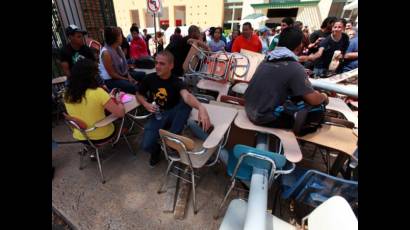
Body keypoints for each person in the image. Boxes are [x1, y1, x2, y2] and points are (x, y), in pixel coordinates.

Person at [136, 50, 211, 166]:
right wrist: (145, 104)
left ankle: (171, 139)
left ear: (171, 66)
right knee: (146, 145)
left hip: (174, 114)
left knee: (186, 104)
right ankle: (157, 151)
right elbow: (139, 94)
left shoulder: (176, 81)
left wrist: (201, 107)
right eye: (156, 63)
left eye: (162, 64)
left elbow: (187, 96)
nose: (157, 66)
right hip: (158, 114)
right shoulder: (149, 78)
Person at [244, 27, 328, 128]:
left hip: (249, 110)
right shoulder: (295, 67)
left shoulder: (267, 60)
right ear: (299, 46)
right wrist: (324, 96)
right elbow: (313, 99)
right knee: (317, 110)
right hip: (264, 118)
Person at [64, 59, 125, 144]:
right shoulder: (97, 92)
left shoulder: (66, 94)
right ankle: (119, 134)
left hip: (81, 136)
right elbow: (120, 113)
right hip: (101, 136)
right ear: (92, 76)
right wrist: (119, 101)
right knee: (120, 120)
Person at [99, 26, 145, 94]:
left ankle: (144, 95)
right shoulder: (106, 53)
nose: (122, 37)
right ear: (115, 38)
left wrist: (129, 76)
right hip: (110, 80)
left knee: (143, 75)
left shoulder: (118, 48)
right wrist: (127, 79)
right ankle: (139, 100)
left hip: (121, 74)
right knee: (132, 87)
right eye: (120, 35)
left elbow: (124, 67)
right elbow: (112, 74)